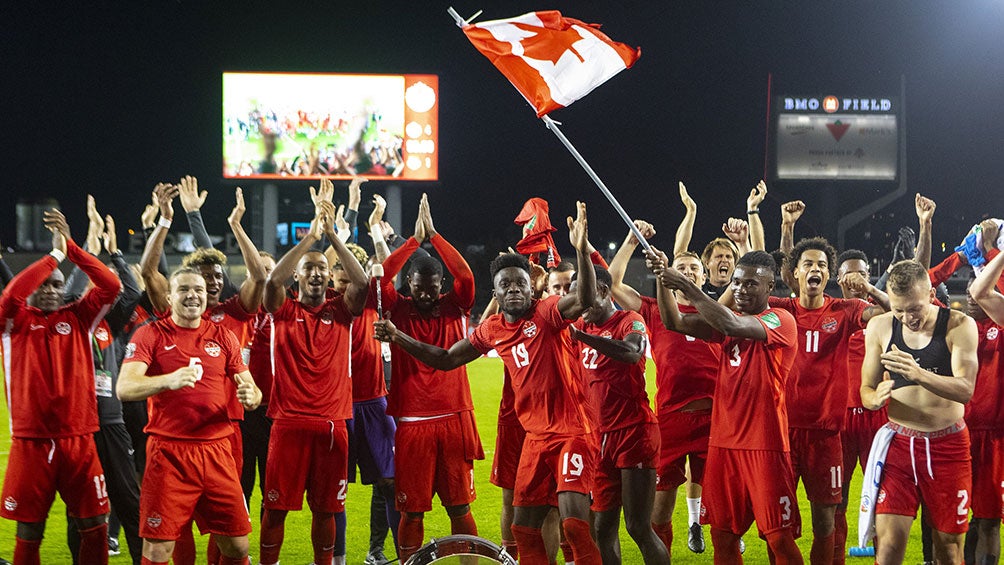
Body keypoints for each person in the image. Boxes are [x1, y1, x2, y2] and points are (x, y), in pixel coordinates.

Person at [374, 202, 602, 565]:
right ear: (496, 292)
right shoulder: (492, 328)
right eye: (505, 284)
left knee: (574, 525)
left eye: (520, 283)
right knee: (522, 531)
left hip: (573, 431)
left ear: (532, 288)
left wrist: (581, 250)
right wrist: (399, 338)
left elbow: (585, 299)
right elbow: (447, 358)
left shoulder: (546, 313)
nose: (514, 289)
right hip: (534, 437)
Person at [649, 249, 804, 564]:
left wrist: (689, 287)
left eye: (751, 284)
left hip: (765, 444)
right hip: (723, 445)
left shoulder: (781, 320)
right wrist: (663, 280)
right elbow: (674, 321)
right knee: (722, 535)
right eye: (736, 283)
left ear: (770, 286)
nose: (742, 290)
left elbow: (733, 324)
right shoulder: (726, 322)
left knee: (779, 538)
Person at [140, 181, 266, 565]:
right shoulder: (170, 317)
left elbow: (259, 277)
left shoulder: (235, 311)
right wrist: (168, 220)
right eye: (201, 278)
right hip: (175, 434)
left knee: (229, 529)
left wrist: (235, 225)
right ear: (186, 287)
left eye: (216, 277)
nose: (210, 282)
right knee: (174, 529)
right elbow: (150, 273)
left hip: (226, 432)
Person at [118, 267, 262, 565]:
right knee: (158, 549)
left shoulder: (222, 337)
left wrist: (252, 396)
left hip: (217, 452)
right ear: (170, 296)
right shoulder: (151, 334)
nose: (192, 295)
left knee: (237, 546)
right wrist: (167, 380)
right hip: (169, 453)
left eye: (198, 289)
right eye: (183, 289)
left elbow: (251, 387)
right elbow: (125, 387)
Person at [0, 208, 120, 565]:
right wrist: (52, 257)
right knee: (29, 528)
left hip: (79, 438)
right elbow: (10, 296)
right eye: (44, 285)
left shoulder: (80, 318)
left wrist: (70, 248)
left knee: (95, 523)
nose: (51, 290)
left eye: (56, 285)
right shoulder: (13, 323)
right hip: (31, 442)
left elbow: (111, 286)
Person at [257, 192, 368, 565]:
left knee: (326, 510)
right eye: (309, 268)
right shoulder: (283, 310)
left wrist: (333, 235)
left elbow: (363, 284)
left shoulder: (341, 309)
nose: (318, 273)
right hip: (287, 425)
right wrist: (309, 238)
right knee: (275, 510)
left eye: (322, 267)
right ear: (299, 276)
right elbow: (272, 280)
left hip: (332, 426)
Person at [767, 236, 888, 565]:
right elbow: (737, 302)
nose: (815, 269)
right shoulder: (780, 310)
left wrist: (868, 288)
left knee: (826, 522)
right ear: (795, 273)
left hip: (826, 437)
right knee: (778, 525)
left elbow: (894, 312)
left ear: (830, 273)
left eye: (822, 264)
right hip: (783, 436)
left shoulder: (845, 310)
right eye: (808, 264)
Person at [376, 194, 482, 562]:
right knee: (412, 510)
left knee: (459, 506)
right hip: (413, 423)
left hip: (454, 418)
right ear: (409, 283)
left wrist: (433, 236)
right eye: (418, 284)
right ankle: (409, 562)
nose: (425, 291)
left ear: (441, 283)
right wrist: (411, 242)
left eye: (433, 284)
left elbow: (466, 274)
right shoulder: (397, 309)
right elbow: (381, 278)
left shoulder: (457, 305)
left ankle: (468, 561)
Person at [607, 220, 719, 558]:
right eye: (680, 267)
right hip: (670, 417)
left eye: (693, 268)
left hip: (715, 418)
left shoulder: (716, 311)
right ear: (670, 274)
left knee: (722, 508)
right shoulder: (655, 310)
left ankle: (706, 532)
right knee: (659, 507)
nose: (687, 271)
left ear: (702, 278)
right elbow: (611, 284)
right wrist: (629, 241)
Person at [860, 260, 979, 565]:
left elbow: (965, 389)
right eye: (899, 310)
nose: (907, 318)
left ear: (929, 293)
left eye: (914, 309)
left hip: (948, 447)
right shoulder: (880, 326)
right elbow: (866, 387)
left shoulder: (959, 325)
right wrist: (874, 400)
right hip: (899, 446)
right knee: (887, 550)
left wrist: (917, 373)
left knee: (949, 552)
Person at [62, 200, 144, 565]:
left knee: (128, 496)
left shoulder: (109, 322)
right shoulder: (69, 320)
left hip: (111, 421)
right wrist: (88, 250)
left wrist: (114, 252)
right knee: (78, 505)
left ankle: (144, 557)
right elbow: (67, 293)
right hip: (76, 424)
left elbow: (131, 290)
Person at [571, 266, 669, 564]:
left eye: (582, 294)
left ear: (602, 290)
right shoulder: (582, 326)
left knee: (638, 526)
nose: (577, 302)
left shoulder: (630, 320)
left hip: (634, 432)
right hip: (600, 439)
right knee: (601, 527)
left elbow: (632, 352)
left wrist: (585, 338)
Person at [832, 248, 886, 562]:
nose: (854, 280)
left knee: (881, 496)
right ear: (837, 279)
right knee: (836, 499)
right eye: (848, 275)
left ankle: (883, 558)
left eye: (861, 274)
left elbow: (900, 309)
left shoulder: (879, 317)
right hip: (839, 419)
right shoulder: (829, 313)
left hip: (876, 417)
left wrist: (868, 291)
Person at [962, 251, 1004, 565]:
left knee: (989, 520)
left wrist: (994, 251)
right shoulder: (952, 327)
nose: (974, 294)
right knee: (956, 520)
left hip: (995, 436)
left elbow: (982, 291)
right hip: (957, 434)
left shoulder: (1001, 326)